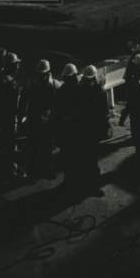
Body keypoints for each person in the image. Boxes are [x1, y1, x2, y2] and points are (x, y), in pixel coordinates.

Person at [75, 65, 110, 198]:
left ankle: (83, 185)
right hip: (93, 131)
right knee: (92, 160)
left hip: (82, 130)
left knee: (84, 159)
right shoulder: (99, 92)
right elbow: (104, 113)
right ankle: (93, 186)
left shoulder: (79, 90)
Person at [25, 59, 61, 181]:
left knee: (47, 147)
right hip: (35, 119)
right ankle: (37, 171)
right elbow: (24, 101)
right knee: (36, 146)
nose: (41, 76)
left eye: (42, 74)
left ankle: (46, 170)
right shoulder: (34, 84)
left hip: (46, 119)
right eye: (39, 74)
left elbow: (57, 103)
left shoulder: (53, 84)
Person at [0, 51, 25, 182]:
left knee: (2, 142)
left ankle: (1, 168)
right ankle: (9, 171)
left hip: (1, 118)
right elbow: (13, 103)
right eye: (16, 64)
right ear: (11, 66)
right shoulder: (9, 82)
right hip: (9, 118)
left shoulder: (0, 78)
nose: (18, 67)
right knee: (9, 143)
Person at [53, 63, 81, 193]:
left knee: (68, 157)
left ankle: (69, 182)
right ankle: (76, 182)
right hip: (77, 129)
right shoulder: (80, 88)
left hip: (67, 130)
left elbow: (57, 112)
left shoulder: (62, 91)